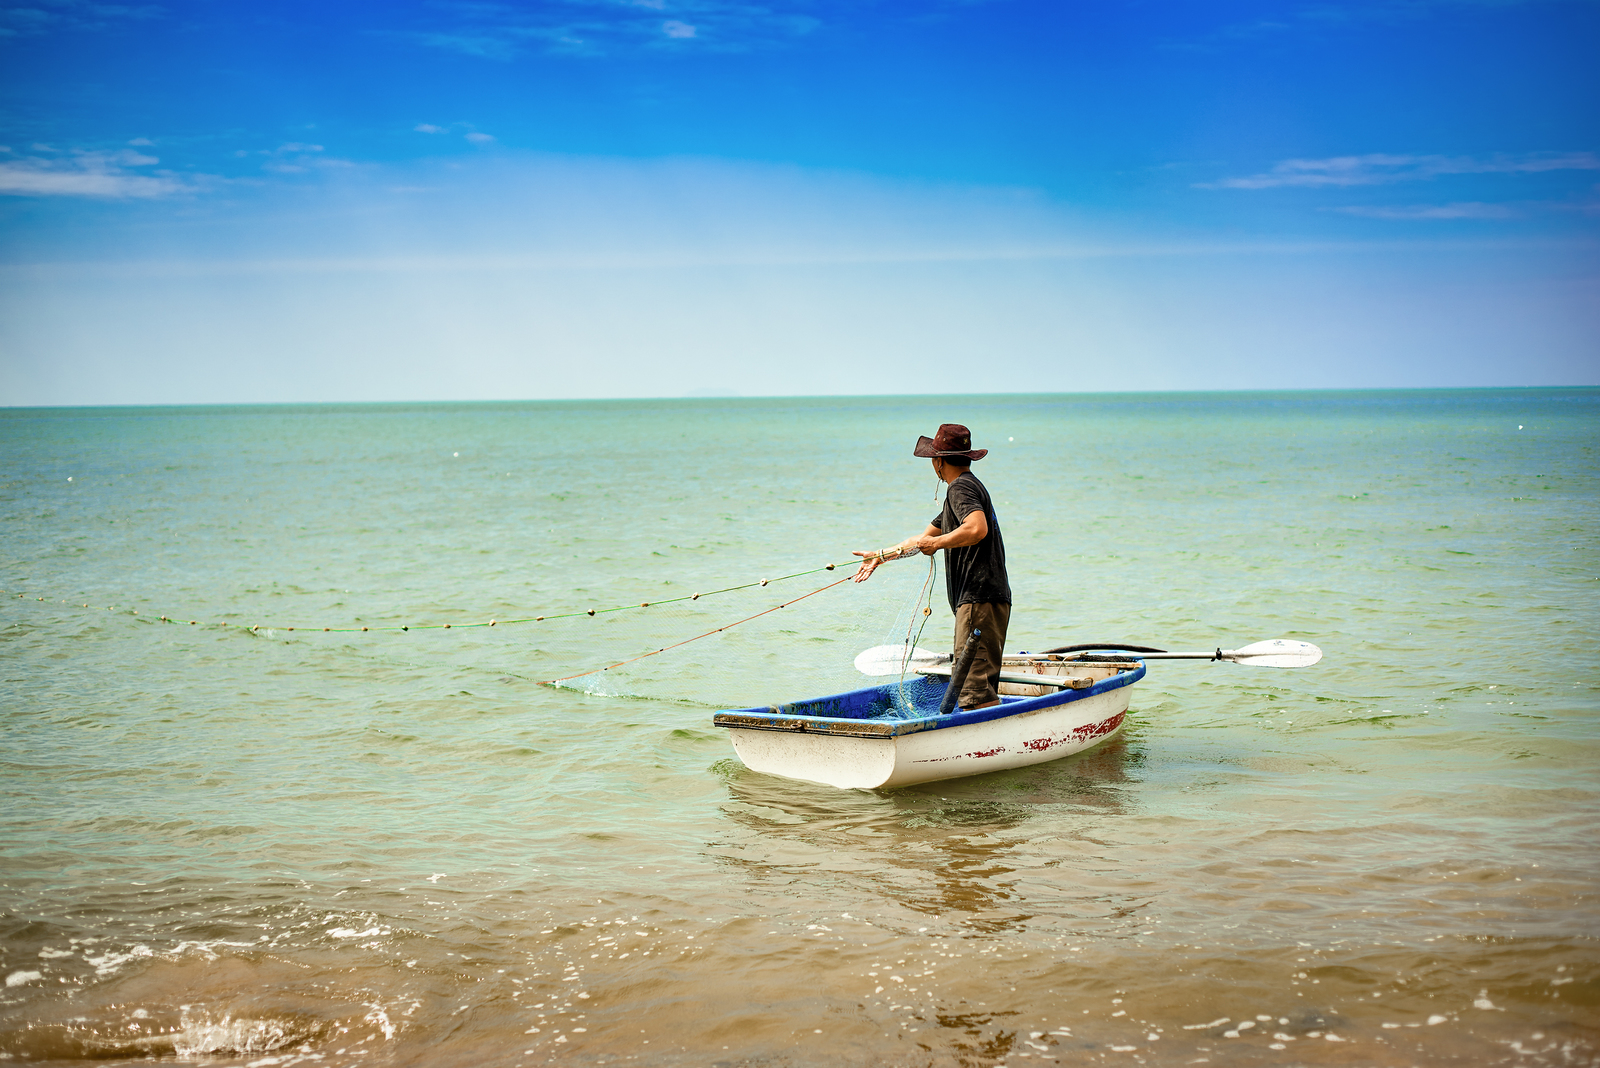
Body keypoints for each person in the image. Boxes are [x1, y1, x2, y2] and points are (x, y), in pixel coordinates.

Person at [853, 423, 1011, 710]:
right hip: (988, 598)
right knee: (978, 686)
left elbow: (976, 529)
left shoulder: (961, 488)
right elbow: (921, 539)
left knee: (973, 693)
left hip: (978, 598)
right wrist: (881, 555)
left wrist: (938, 545)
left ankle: (983, 749)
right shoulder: (965, 490)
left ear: (938, 461)